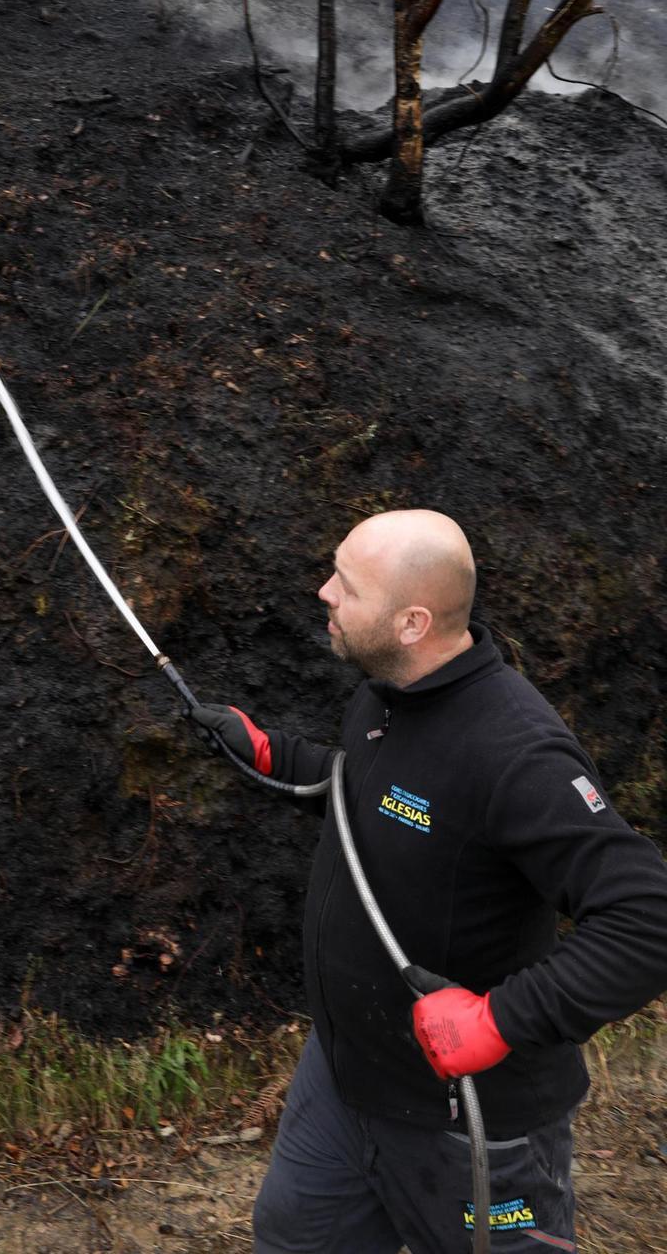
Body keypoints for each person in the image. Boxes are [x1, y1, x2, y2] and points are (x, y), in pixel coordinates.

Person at [191, 508, 667, 1254]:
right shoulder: (388, 693)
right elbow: (379, 797)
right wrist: (274, 757)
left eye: (345, 585)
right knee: (294, 1240)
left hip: (472, 1123)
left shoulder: (518, 755)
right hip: (346, 1079)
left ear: (412, 621)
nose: (323, 593)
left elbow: (646, 921)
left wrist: (498, 1021)